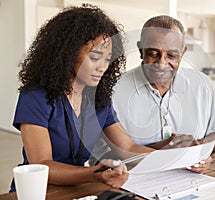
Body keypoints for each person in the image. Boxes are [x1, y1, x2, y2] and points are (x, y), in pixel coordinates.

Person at [10, 4, 153, 192]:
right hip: (38, 191)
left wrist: (181, 158)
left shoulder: (99, 100)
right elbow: (42, 166)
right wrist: (95, 173)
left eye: (107, 59)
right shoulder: (35, 96)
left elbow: (127, 146)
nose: (102, 67)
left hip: (79, 189)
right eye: (95, 57)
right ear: (67, 53)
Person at [90, 15, 215, 173]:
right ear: (141, 50)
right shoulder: (111, 91)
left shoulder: (203, 85)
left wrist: (198, 148)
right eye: (153, 54)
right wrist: (164, 150)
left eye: (171, 55)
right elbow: (101, 156)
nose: (161, 64)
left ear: (183, 52)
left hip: (193, 179)